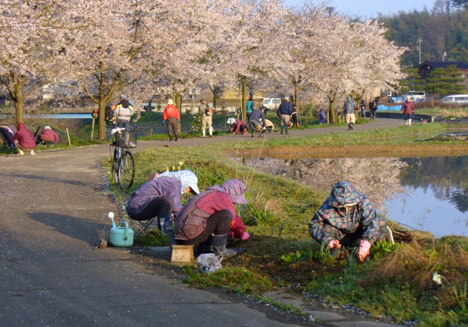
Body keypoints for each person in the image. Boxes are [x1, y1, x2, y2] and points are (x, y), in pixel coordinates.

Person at [309, 181, 393, 262]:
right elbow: (314, 225)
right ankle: (337, 251)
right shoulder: (328, 206)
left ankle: (375, 251)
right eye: (342, 206)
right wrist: (329, 241)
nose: (346, 206)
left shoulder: (363, 202)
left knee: (380, 223)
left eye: (349, 204)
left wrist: (365, 244)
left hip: (360, 235)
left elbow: (371, 222)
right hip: (341, 237)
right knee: (326, 228)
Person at [174, 179, 250, 259]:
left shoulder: (210, 193)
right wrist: (241, 234)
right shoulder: (222, 196)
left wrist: (231, 233)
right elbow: (233, 220)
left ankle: (204, 249)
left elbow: (214, 222)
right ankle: (221, 251)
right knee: (226, 214)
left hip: (180, 233)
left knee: (207, 217)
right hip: (189, 235)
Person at [126, 170, 200, 232]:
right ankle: (164, 231)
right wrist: (187, 222)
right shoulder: (173, 183)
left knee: (168, 202)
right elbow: (176, 207)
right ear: (186, 183)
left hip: (136, 206)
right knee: (167, 202)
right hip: (137, 209)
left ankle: (164, 230)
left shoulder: (167, 179)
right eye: (189, 189)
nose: (187, 192)